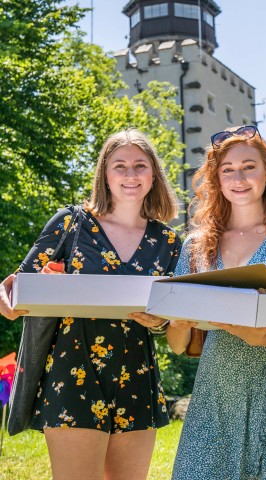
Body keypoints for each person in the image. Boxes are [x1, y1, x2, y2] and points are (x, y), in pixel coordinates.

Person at [0, 129, 181, 480]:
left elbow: (174, 322)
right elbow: (20, 286)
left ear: (153, 175)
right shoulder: (71, 222)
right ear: (105, 174)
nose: (130, 175)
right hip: (72, 372)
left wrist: (158, 322)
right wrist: (8, 297)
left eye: (140, 166)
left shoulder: (170, 242)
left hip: (138, 376)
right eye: (120, 166)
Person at [163, 125, 266, 479]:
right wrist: (177, 324)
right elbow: (177, 345)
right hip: (215, 397)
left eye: (249, 166)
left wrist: (258, 336)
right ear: (216, 179)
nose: (239, 177)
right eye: (228, 169)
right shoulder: (195, 246)